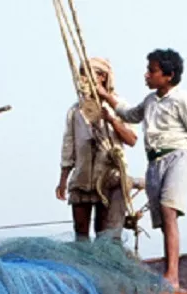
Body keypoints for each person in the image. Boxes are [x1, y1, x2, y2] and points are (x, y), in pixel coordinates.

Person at [99, 49, 187, 287]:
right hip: (154, 162)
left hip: (177, 157)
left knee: (169, 212)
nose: (146, 75)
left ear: (168, 75)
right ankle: (170, 269)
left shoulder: (182, 100)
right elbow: (130, 114)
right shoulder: (150, 101)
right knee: (161, 218)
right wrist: (107, 99)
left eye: (152, 71)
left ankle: (172, 275)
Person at [56, 58, 138, 242]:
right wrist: (63, 180)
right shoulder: (76, 110)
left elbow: (131, 139)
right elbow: (68, 147)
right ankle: (83, 266)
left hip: (109, 178)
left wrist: (111, 119)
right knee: (81, 232)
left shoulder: (118, 106)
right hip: (82, 178)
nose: (82, 79)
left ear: (102, 77)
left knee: (104, 232)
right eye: (81, 75)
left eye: (87, 74)